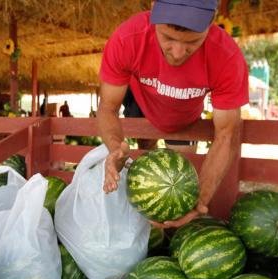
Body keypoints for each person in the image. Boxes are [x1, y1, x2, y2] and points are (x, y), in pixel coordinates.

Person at [97, 0, 248, 229]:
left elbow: (226, 134)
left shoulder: (226, 57)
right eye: (167, 37)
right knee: (149, 176)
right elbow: (107, 107)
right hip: (143, 108)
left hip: (186, 119)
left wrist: (201, 200)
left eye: (193, 41)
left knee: (178, 183)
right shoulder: (128, 39)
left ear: (212, 20)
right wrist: (115, 147)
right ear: (152, 8)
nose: (177, 53)